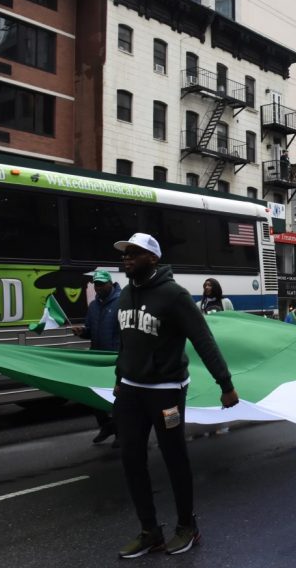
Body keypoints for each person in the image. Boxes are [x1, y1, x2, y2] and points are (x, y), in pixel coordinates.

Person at [112, 233, 240, 558]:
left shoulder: (174, 295)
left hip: (166, 392)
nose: (127, 257)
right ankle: (150, 531)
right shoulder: (125, 294)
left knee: (174, 457)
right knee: (130, 457)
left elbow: (203, 339)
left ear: (153, 258)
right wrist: (119, 377)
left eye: (135, 253)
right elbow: (126, 342)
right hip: (131, 390)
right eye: (125, 253)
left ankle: (187, 526)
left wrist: (225, 384)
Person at [72, 270, 121, 445]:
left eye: (101, 284)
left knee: (117, 397)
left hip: (115, 359)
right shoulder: (93, 305)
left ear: (110, 283)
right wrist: (82, 331)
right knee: (94, 394)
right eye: (96, 284)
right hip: (97, 358)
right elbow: (90, 330)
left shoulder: (122, 302)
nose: (98, 287)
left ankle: (120, 433)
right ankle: (106, 426)